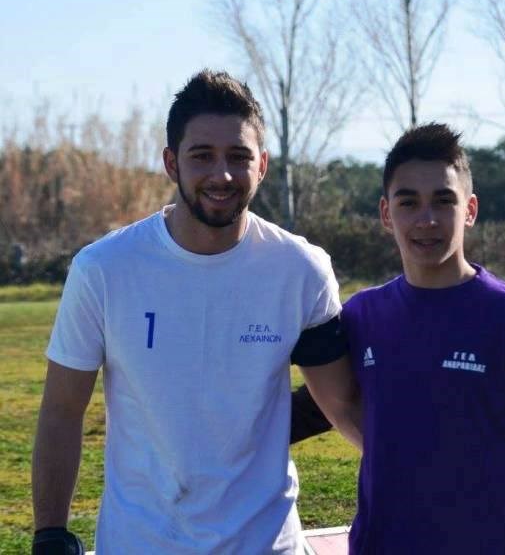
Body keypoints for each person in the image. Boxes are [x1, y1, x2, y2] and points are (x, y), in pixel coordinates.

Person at [31, 69, 360, 555]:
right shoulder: (103, 269)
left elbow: (343, 405)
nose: (221, 175)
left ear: (262, 164)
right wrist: (50, 533)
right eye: (202, 155)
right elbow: (62, 410)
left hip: (267, 544)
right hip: (141, 543)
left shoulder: (301, 269)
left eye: (238, 156)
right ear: (172, 163)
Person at [340, 123, 505, 554]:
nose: (426, 219)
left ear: (470, 209)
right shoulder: (362, 315)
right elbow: (316, 404)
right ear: (386, 213)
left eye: (444, 201)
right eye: (408, 202)